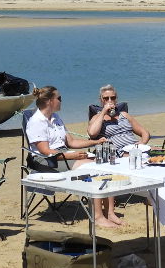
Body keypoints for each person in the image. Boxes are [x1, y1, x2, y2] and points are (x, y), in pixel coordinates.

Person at [25, 85, 119, 227]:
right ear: (50, 101)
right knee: (93, 169)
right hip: (45, 160)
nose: (61, 101)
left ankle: (110, 213)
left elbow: (71, 142)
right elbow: (45, 151)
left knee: (103, 163)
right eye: (59, 98)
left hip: (63, 154)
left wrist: (95, 142)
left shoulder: (55, 117)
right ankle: (98, 216)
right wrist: (71, 156)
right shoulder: (36, 121)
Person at [87, 85, 150, 152]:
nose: (110, 100)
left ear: (116, 99)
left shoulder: (124, 115)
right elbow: (92, 134)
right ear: (101, 100)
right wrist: (103, 112)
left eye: (113, 98)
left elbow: (145, 132)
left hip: (135, 148)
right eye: (106, 98)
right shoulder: (97, 118)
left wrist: (142, 143)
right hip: (118, 152)